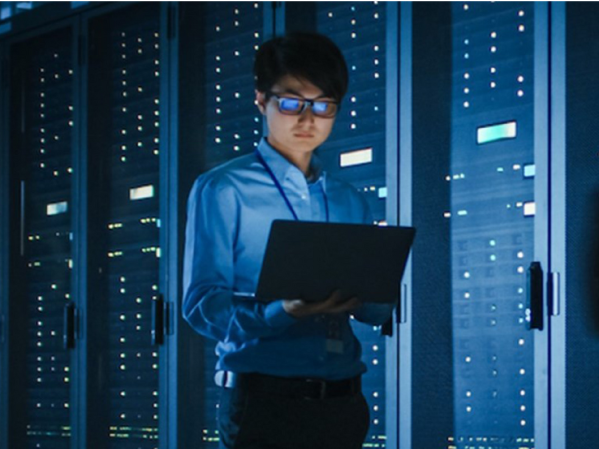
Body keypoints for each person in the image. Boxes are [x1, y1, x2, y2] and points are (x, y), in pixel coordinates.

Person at [182, 31, 394, 449]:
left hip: (342, 402)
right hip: (265, 404)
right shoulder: (224, 189)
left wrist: (372, 296)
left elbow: (375, 308)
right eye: (292, 102)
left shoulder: (349, 200)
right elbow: (202, 304)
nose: (308, 119)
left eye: (323, 106)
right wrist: (281, 312)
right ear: (261, 99)